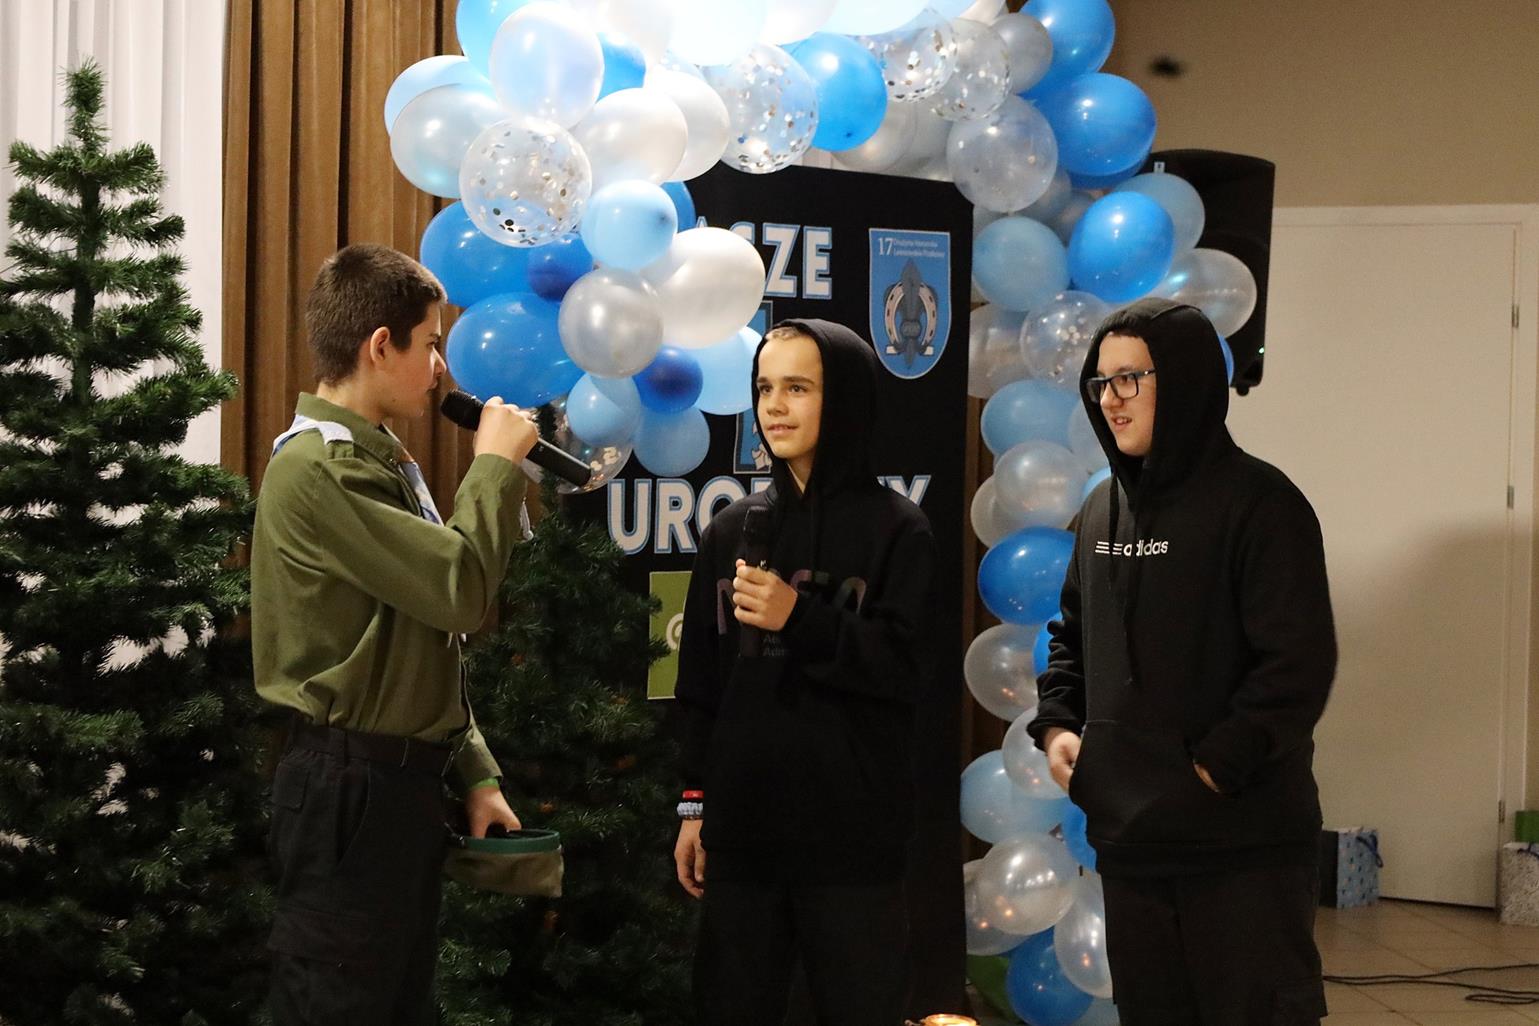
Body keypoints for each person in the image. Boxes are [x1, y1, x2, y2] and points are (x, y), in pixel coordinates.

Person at [250, 243, 539, 1025]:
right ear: (381, 345)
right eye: (431, 344)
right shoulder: (322, 468)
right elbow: (457, 593)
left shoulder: (376, 459)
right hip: (350, 787)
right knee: (338, 1003)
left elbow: (415, 639)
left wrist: (474, 773)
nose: (440, 367)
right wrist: (493, 466)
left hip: (395, 785)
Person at [1028, 298, 1337, 1026]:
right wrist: (1059, 724)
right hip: (1133, 844)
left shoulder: (1262, 503)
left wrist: (1216, 768)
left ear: (1189, 380)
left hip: (1241, 846)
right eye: (1100, 382)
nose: (1110, 399)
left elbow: (1295, 663)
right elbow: (1072, 634)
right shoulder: (1101, 510)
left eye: (1129, 378)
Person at [672, 320, 937, 1026]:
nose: (775, 406)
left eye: (798, 387)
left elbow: (904, 669)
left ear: (842, 399)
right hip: (744, 833)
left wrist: (799, 618)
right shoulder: (731, 531)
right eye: (764, 388)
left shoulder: (898, 530)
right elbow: (699, 686)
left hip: (851, 838)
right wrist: (694, 805)